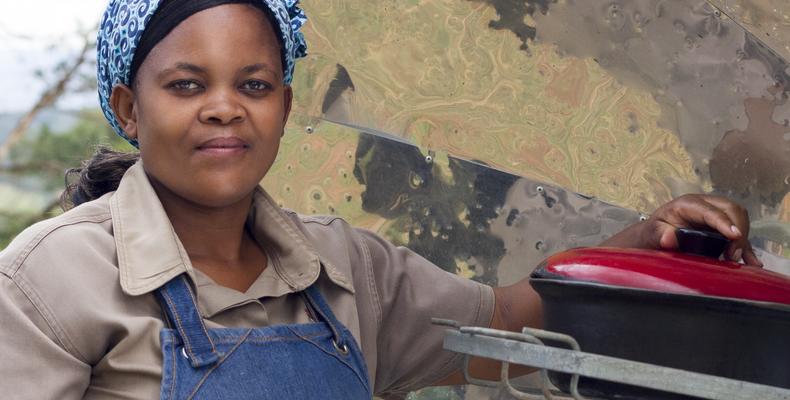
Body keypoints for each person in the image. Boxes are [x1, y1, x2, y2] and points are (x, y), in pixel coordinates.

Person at [0, 0, 761, 399]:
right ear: (130, 110)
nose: (225, 107)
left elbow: (509, 318)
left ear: (286, 108)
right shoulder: (53, 278)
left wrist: (645, 239)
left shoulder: (344, 266)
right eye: (187, 85)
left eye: (254, 85)